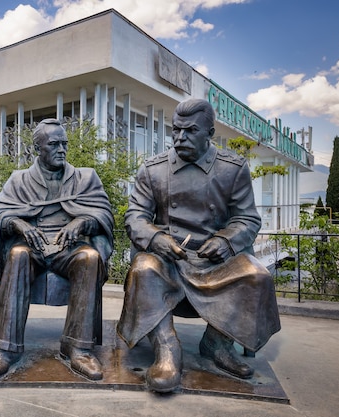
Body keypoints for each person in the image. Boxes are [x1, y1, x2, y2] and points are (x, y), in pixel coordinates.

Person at [116, 99, 281, 393]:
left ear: (209, 132)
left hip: (214, 260)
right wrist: (155, 238)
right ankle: (167, 349)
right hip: (168, 257)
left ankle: (217, 345)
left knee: (256, 275)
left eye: (190, 131)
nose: (180, 138)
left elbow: (247, 218)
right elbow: (135, 216)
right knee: (143, 269)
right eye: (176, 131)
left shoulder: (233, 169)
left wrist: (225, 241)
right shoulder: (153, 170)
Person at [0, 118, 114, 382]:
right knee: (16, 255)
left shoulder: (85, 178)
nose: (62, 149)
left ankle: (77, 348)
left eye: (64, 144)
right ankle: (6, 350)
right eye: (54, 144)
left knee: (90, 257)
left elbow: (104, 213)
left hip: (69, 248)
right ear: (37, 148)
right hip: (32, 247)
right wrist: (17, 223)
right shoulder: (20, 180)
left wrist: (82, 221)